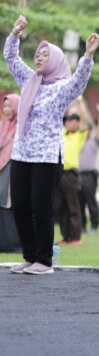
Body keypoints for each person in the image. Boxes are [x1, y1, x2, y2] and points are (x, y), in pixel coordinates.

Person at [5, 14, 99, 275]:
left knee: (41, 207)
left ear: (56, 60)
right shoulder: (28, 80)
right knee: (21, 206)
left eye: (45, 55)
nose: (38, 57)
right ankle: (29, 256)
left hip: (46, 157)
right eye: (37, 53)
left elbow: (80, 81)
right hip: (22, 153)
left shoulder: (61, 88)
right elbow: (11, 59)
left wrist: (88, 56)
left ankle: (44, 261)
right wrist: (15, 33)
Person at [54, 100, 89, 245]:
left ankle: (75, 237)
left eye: (74, 120)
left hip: (71, 174)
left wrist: (80, 102)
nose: (71, 122)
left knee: (73, 206)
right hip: (58, 172)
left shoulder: (79, 135)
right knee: (60, 206)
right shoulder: (62, 132)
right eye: (69, 120)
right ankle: (66, 236)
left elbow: (85, 120)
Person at [79, 103, 99, 236]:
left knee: (90, 201)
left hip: (89, 175)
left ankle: (94, 225)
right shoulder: (76, 140)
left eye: (88, 129)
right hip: (76, 174)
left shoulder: (94, 142)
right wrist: (80, 104)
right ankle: (82, 225)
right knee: (79, 202)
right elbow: (83, 120)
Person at [0, 94, 21, 253]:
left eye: (10, 106)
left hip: (14, 167)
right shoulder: (2, 125)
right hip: (2, 167)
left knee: (9, 202)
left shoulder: (21, 126)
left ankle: (13, 243)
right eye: (5, 105)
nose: (6, 109)